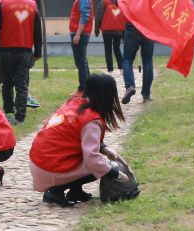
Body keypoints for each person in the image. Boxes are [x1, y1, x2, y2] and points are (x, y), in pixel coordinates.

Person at [30, 73, 125, 207]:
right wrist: (114, 173)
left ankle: (76, 192)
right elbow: (92, 159)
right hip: (50, 169)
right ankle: (55, 191)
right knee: (100, 166)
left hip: (40, 162)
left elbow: (77, 138)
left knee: (89, 160)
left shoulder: (74, 103)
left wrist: (105, 149)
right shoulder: (91, 120)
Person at [0, 0, 43, 124]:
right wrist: (38, 52)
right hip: (25, 50)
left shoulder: (2, 3)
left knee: (7, 83)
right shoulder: (32, 3)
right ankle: (20, 117)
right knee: (22, 84)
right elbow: (37, 30)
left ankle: (9, 112)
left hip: (5, 50)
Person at [68, 0, 93, 89]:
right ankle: (88, 86)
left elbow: (84, 17)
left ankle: (84, 87)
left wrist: (77, 34)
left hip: (80, 34)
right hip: (81, 33)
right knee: (82, 61)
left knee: (80, 62)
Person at [121, 21, 155, 105]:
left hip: (132, 26)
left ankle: (130, 86)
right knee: (147, 61)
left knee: (127, 60)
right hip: (148, 27)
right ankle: (146, 94)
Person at [96, 0, 125, 73]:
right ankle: (122, 69)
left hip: (107, 30)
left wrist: (96, 29)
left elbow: (99, 16)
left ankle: (110, 70)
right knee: (117, 49)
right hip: (119, 30)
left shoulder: (104, 1)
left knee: (108, 50)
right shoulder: (120, 1)